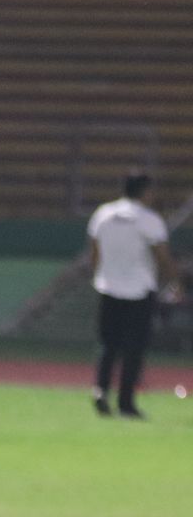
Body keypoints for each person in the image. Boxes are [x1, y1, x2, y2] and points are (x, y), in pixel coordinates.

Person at [87, 170, 179, 419]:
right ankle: (126, 403)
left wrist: (98, 275)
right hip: (139, 290)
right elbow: (162, 257)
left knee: (107, 344)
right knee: (134, 349)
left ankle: (101, 390)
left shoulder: (103, 214)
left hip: (108, 287)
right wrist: (174, 282)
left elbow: (94, 252)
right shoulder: (149, 220)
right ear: (145, 191)